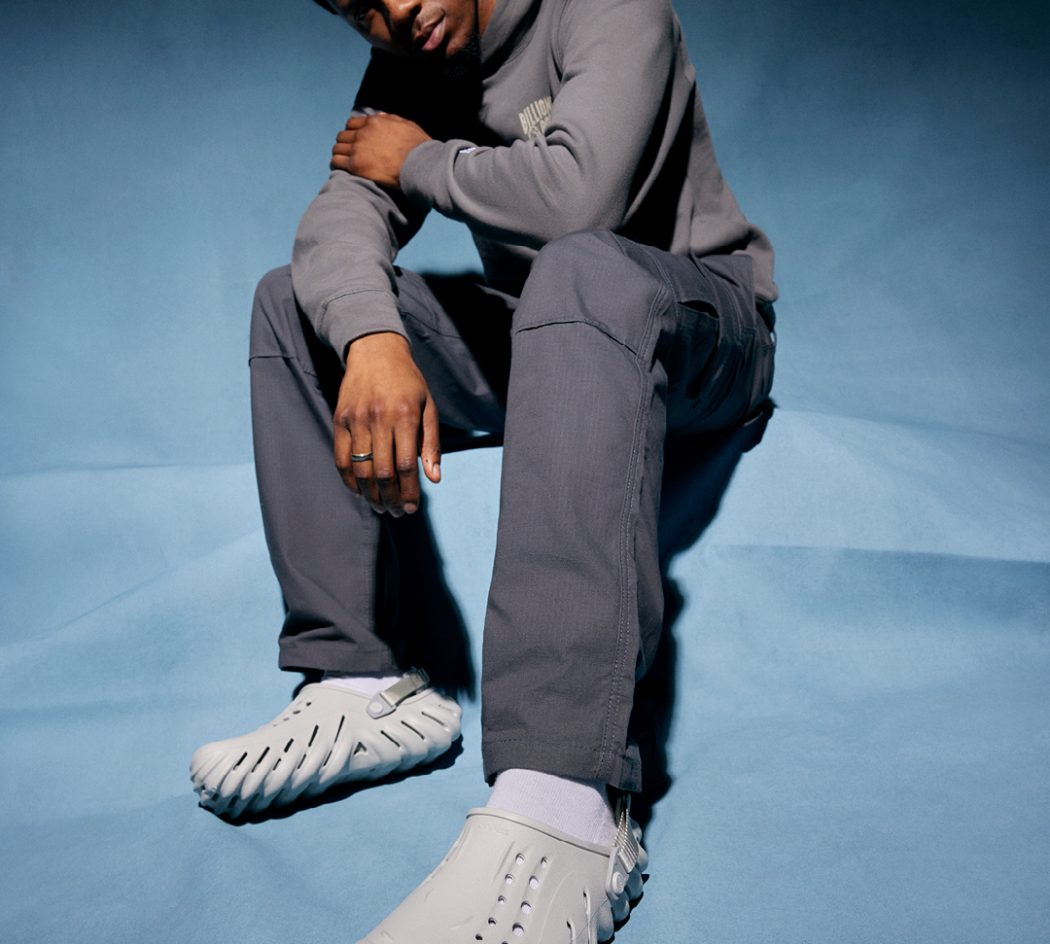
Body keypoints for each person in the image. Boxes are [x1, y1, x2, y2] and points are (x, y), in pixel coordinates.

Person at [190, 0, 777, 939]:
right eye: (357, 6)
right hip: (547, 325)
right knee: (296, 307)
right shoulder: (419, 54)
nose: (393, 11)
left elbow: (580, 198)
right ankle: (363, 684)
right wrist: (375, 339)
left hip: (704, 327)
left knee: (584, 266)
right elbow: (342, 215)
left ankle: (568, 801)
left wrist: (417, 159)